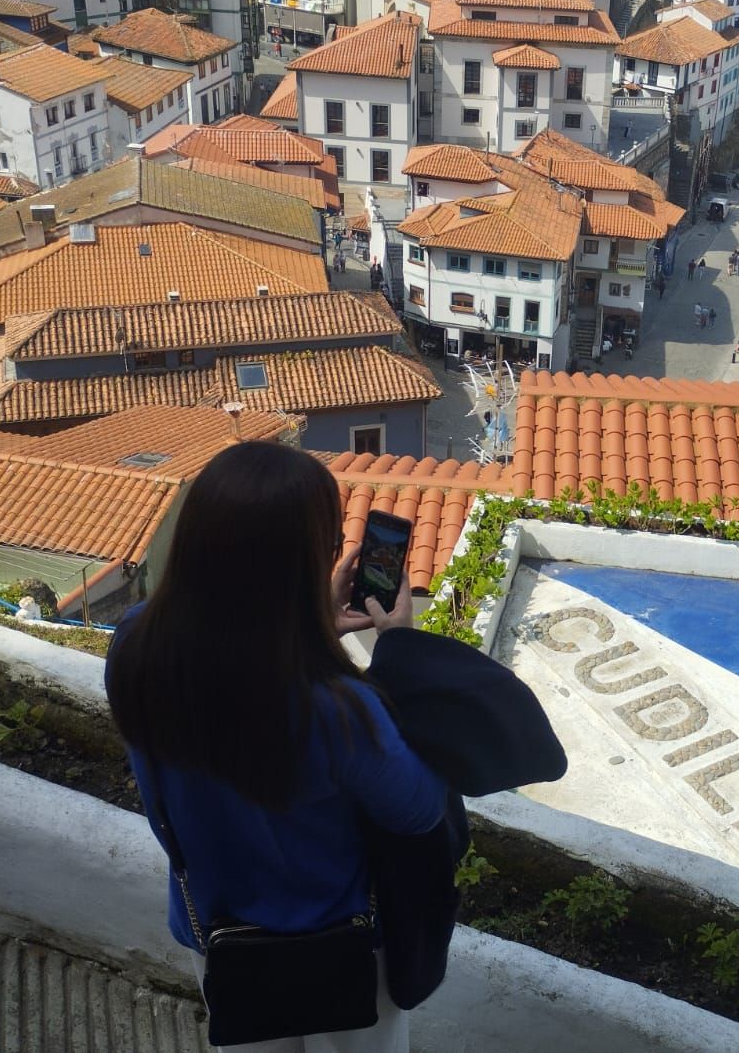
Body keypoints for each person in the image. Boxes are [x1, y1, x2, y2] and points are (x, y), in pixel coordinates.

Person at [106, 444, 446, 1053]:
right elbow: (419, 809)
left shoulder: (134, 644)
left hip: (218, 931)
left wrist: (308, 623)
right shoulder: (336, 709)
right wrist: (399, 655)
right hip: (338, 941)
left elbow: (231, 676)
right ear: (302, 562)